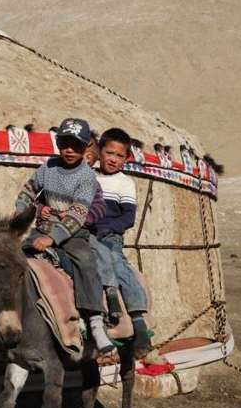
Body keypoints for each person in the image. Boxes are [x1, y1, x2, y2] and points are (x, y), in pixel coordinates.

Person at [15, 118, 114, 354]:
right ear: (58, 144)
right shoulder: (47, 168)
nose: (70, 150)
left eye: (77, 146)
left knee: (86, 261)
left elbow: (79, 215)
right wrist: (20, 216)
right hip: (44, 227)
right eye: (65, 144)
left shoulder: (86, 177)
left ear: (86, 148)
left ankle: (95, 321)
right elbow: (27, 192)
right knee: (12, 258)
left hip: (73, 232)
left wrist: (52, 239)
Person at [84, 127, 153, 358]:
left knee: (117, 262)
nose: (113, 159)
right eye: (109, 153)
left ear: (126, 159)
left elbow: (128, 218)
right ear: (99, 152)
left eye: (119, 155)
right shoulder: (88, 176)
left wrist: (107, 228)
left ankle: (137, 319)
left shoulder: (125, 183)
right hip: (86, 233)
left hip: (111, 236)